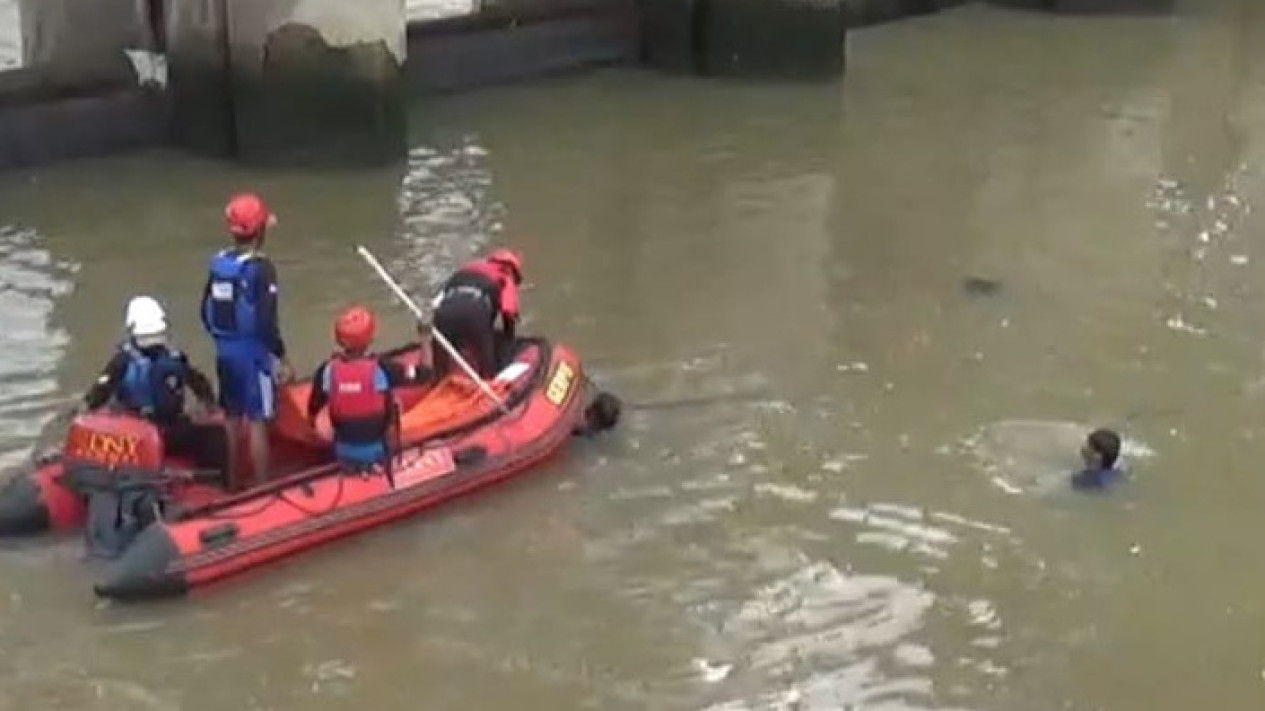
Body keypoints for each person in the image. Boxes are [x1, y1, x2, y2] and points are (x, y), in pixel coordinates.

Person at [200, 192, 293, 488]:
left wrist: (221, 340)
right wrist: (281, 355)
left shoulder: (219, 263)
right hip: (252, 355)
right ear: (261, 230)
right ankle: (263, 488)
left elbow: (204, 310)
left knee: (231, 417)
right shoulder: (261, 269)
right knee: (256, 420)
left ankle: (231, 481)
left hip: (224, 351)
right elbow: (266, 320)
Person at [82, 295, 219, 466]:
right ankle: (218, 480)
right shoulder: (176, 358)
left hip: (135, 438)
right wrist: (208, 405)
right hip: (172, 432)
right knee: (212, 435)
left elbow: (96, 397)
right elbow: (201, 386)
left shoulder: (121, 361)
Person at [307, 306, 431, 473]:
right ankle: (391, 462)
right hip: (379, 451)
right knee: (394, 402)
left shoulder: (326, 371)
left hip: (343, 452)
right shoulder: (383, 368)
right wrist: (425, 336)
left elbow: (313, 413)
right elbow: (426, 374)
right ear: (370, 339)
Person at [428, 247, 523, 379]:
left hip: (444, 311)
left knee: (440, 365)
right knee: (487, 366)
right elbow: (508, 312)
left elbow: (437, 301)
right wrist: (509, 344)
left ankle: (438, 381)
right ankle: (489, 380)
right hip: (475, 310)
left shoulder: (467, 269)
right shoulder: (505, 275)